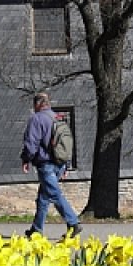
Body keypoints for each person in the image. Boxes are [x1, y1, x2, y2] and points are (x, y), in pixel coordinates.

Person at [21, 92, 82, 238]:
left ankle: (74, 223)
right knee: (43, 197)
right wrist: (67, 164)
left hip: (46, 164)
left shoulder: (36, 119)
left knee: (54, 194)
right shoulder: (57, 118)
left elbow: (31, 144)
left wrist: (25, 159)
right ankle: (36, 229)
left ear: (36, 105)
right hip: (59, 163)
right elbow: (65, 142)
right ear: (48, 103)